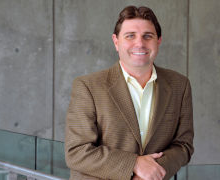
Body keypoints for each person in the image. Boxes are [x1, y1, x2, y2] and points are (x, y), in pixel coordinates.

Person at [65, 5, 194, 180]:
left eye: (148, 36)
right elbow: (77, 151)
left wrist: (151, 173)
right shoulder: (88, 86)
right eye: (130, 36)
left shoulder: (180, 85)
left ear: (159, 41)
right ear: (116, 41)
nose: (140, 43)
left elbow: (183, 146)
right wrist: (134, 164)